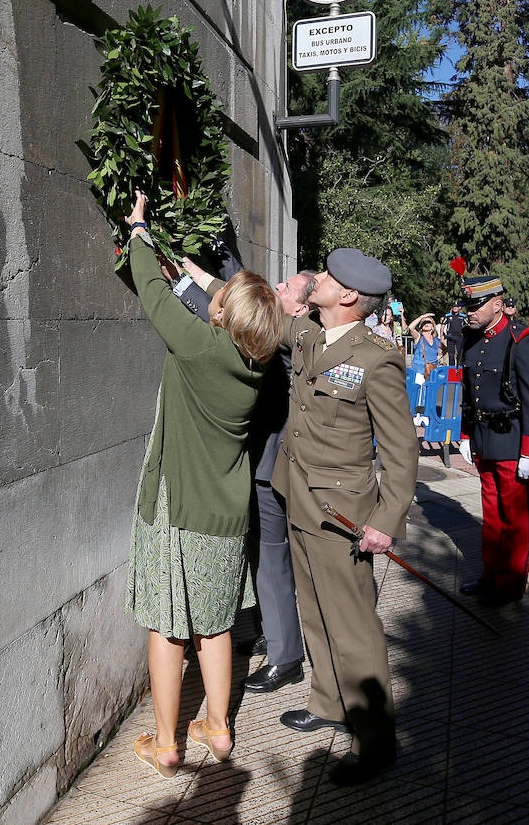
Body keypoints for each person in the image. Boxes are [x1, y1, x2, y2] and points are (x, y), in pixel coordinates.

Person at [121, 191, 284, 778]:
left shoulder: (196, 347)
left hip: (178, 508)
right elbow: (223, 309)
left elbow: (150, 294)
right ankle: (218, 728)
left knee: (168, 627)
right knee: (215, 623)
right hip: (225, 511)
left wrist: (140, 230)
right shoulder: (255, 364)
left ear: (223, 317)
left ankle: (166, 742)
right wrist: (190, 272)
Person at [269, 248, 417, 785]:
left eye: (328, 277)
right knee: (314, 611)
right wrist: (193, 277)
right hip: (301, 499)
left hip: (343, 514)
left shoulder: (377, 358)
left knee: (353, 627)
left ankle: (376, 742)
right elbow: (259, 313)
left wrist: (386, 517)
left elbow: (402, 449)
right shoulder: (308, 333)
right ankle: (329, 703)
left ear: (348, 296)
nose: (318, 279)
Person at [240, 269, 318, 695]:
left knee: (273, 559)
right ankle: (275, 630)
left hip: (275, 468)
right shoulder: (300, 331)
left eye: (286, 287)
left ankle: (286, 656)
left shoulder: (295, 339)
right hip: (267, 462)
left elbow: (238, 297)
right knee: (264, 556)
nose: (276, 288)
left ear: (301, 308)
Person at [454, 275, 529, 605]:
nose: (469, 312)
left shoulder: (521, 339)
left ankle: (509, 586)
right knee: (493, 518)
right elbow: (469, 391)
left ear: (497, 304)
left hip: (514, 442)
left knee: (516, 521)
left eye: (475, 306)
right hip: (485, 441)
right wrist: (466, 434)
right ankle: (490, 576)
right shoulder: (472, 338)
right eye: (467, 305)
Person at [410, 313, 440, 380]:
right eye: (424, 322)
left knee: (431, 390)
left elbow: (446, 349)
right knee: (420, 390)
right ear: (421, 326)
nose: (426, 323)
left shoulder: (436, 340)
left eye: (429, 322)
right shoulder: (418, 337)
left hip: (433, 371)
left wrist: (439, 356)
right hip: (419, 371)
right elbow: (411, 328)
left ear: (433, 326)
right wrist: (422, 317)